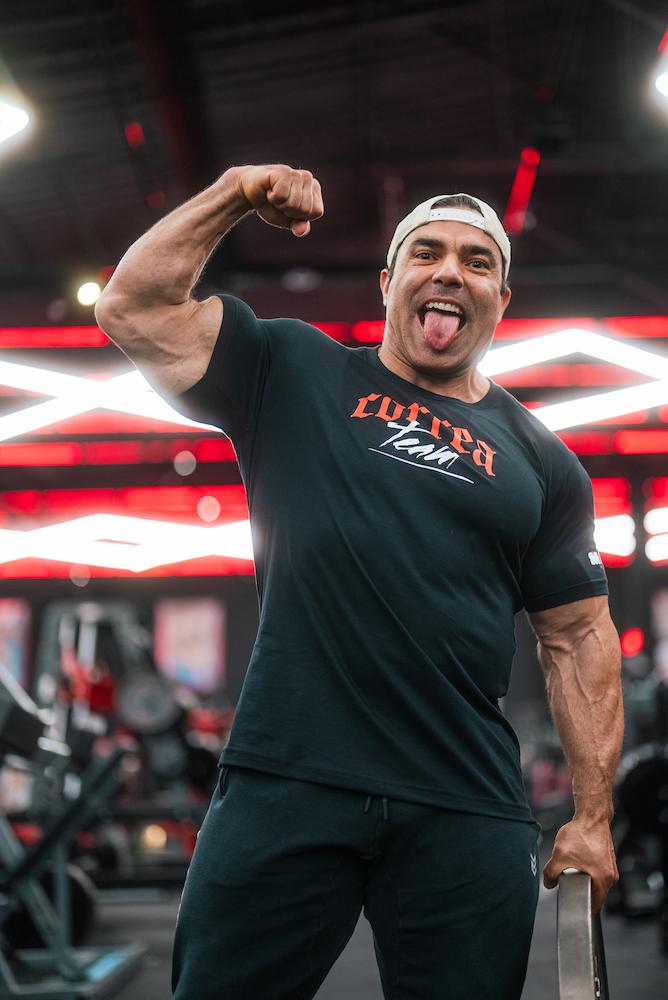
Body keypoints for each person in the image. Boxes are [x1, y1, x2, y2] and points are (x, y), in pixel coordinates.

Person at [95, 165, 624, 1000]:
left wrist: (593, 817)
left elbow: (579, 638)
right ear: (388, 282)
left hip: (464, 797)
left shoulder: (542, 460)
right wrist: (235, 192)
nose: (450, 273)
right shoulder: (292, 368)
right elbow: (131, 306)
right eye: (427, 253)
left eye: (477, 262)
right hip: (289, 778)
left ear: (501, 299)